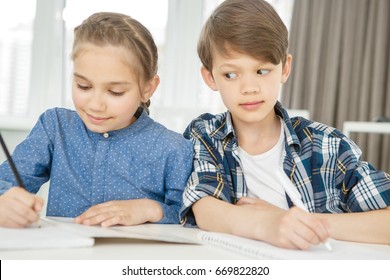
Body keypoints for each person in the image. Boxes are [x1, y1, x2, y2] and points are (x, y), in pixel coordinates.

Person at [180, 0, 390, 250]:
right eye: (231, 75)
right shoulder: (205, 135)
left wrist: (305, 224)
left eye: (262, 71)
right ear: (210, 77)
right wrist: (266, 224)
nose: (249, 88)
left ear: (285, 68)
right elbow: (204, 206)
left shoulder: (328, 146)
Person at [0, 12, 193, 228]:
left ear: (147, 89)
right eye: (84, 86)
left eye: (115, 92)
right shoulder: (55, 127)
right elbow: (5, 183)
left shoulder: (174, 149)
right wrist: (5, 203)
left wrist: (152, 209)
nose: (96, 105)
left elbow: (191, 217)